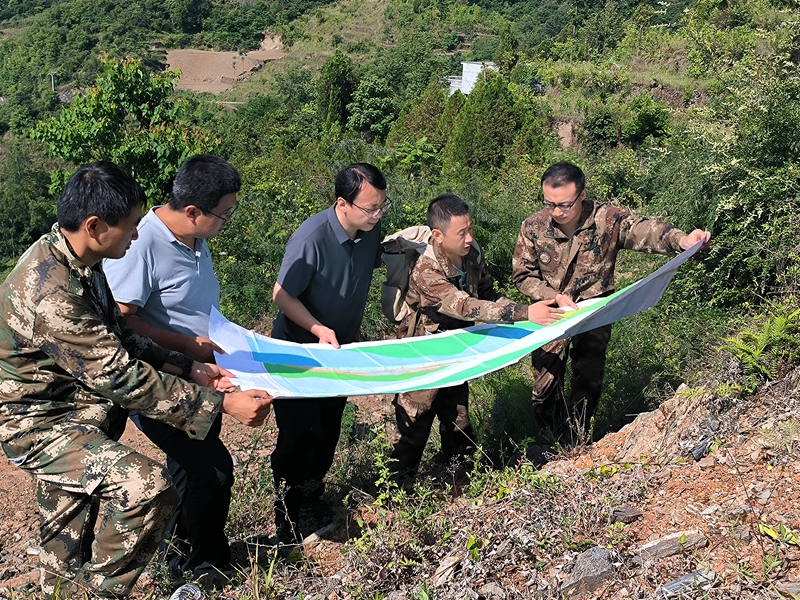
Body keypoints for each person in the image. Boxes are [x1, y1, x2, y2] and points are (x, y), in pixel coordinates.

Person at [0, 162, 272, 598]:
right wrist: (220, 405)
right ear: (95, 225)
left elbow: (122, 335)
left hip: (78, 411)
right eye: (129, 227)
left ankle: (68, 590)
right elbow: (119, 376)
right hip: (41, 425)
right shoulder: (51, 292)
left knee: (69, 541)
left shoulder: (80, 263)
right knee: (147, 487)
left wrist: (187, 366)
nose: (136, 234)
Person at [104, 155, 240, 583]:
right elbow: (123, 320)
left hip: (201, 377)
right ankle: (199, 563)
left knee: (192, 472)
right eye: (224, 215)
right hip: (161, 383)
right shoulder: (141, 243)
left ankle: (186, 557)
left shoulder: (197, 237)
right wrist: (186, 346)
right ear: (193, 211)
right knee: (212, 471)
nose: (226, 222)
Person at [512, 161, 711, 442]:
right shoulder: (534, 226)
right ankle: (549, 443)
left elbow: (647, 231)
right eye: (549, 204)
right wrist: (551, 296)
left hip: (595, 312)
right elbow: (523, 275)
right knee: (545, 383)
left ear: (582, 195)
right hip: (551, 314)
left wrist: (682, 240)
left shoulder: (607, 219)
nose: (557, 212)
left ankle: (577, 440)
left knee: (588, 375)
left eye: (565, 205)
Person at [389, 194, 565, 479]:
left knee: (458, 423)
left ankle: (457, 483)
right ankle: (394, 495)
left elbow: (486, 294)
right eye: (462, 233)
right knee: (413, 427)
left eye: (470, 229)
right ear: (438, 235)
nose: (469, 238)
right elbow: (463, 305)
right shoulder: (425, 269)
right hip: (424, 355)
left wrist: (526, 313)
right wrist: (524, 313)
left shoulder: (471, 255)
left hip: (457, 349)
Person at [270, 163, 386, 543]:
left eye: (382, 206)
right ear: (342, 204)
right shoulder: (311, 238)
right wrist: (318, 328)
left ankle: (311, 499)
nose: (377, 214)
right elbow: (281, 295)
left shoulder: (370, 230)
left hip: (339, 353)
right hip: (297, 354)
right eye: (370, 208)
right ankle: (285, 516)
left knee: (327, 429)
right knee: (295, 436)